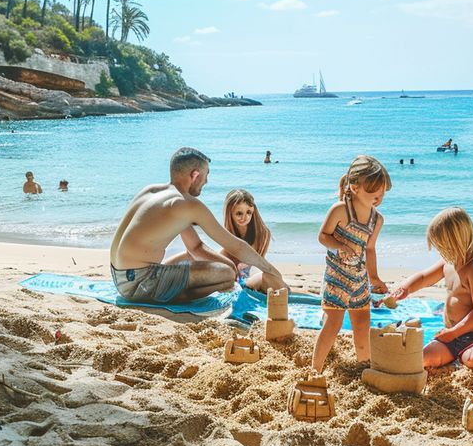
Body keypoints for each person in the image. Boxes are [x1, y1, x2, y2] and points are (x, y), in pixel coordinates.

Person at [109, 148, 287, 304]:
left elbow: (195, 247)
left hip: (119, 278)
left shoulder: (150, 191)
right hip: (141, 283)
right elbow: (235, 245)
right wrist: (271, 270)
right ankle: (175, 302)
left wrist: (230, 267)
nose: (206, 181)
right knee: (225, 276)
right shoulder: (187, 204)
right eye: (206, 175)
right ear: (195, 175)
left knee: (225, 271)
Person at [386, 207, 473, 369]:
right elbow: (425, 277)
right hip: (451, 338)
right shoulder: (448, 263)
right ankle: (457, 360)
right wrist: (406, 287)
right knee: (423, 358)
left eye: (443, 246)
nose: (440, 250)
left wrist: (454, 331)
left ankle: (465, 359)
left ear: (457, 241)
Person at [311, 155, 391, 372]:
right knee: (333, 323)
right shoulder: (340, 210)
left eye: (382, 192)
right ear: (355, 187)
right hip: (336, 277)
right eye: (373, 192)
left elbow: (371, 249)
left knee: (362, 323)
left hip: (359, 279)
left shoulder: (377, 219)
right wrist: (340, 245)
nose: (379, 197)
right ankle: (314, 369)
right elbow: (323, 236)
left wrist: (374, 277)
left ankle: (363, 366)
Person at [164, 188, 275, 292]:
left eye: (249, 212)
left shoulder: (263, 234)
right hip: (228, 281)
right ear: (230, 214)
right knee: (194, 256)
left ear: (253, 211)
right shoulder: (228, 237)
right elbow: (203, 255)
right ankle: (163, 267)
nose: (244, 217)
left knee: (269, 278)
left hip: (246, 281)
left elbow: (261, 264)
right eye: (239, 213)